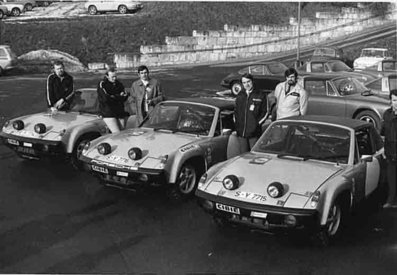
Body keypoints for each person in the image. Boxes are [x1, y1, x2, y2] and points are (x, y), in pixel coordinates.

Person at [230, 73, 269, 155]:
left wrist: (256, 124)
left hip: (254, 134)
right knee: (244, 156)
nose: (246, 84)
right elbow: (236, 111)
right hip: (241, 134)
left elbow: (265, 112)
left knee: (254, 155)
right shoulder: (240, 95)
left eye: (248, 82)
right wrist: (237, 125)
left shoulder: (260, 95)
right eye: (244, 83)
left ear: (252, 81)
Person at [97, 67, 129, 133]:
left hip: (120, 112)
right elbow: (105, 98)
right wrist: (118, 96)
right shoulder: (102, 84)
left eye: (115, 76)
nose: (115, 78)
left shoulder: (119, 84)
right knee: (117, 133)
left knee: (123, 133)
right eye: (112, 77)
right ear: (107, 76)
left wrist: (114, 97)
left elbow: (125, 97)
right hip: (109, 113)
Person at [381, 89, 397, 208]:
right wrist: (383, 149)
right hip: (390, 152)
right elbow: (383, 133)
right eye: (394, 100)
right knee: (391, 178)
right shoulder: (387, 114)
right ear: (391, 101)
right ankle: (391, 201)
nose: (396, 103)